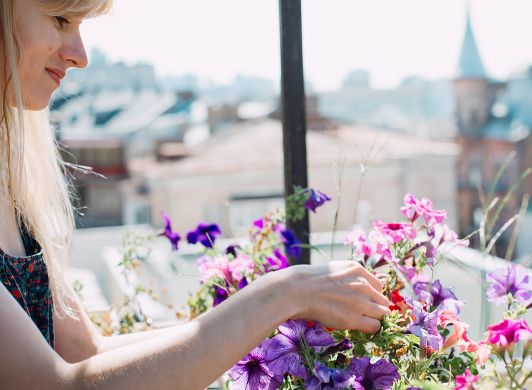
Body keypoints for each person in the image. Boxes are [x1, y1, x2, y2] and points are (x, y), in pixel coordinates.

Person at [0, 0, 391, 388]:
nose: (80, 56)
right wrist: (282, 294)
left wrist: (275, 316)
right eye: (61, 19)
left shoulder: (14, 188)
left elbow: (87, 353)